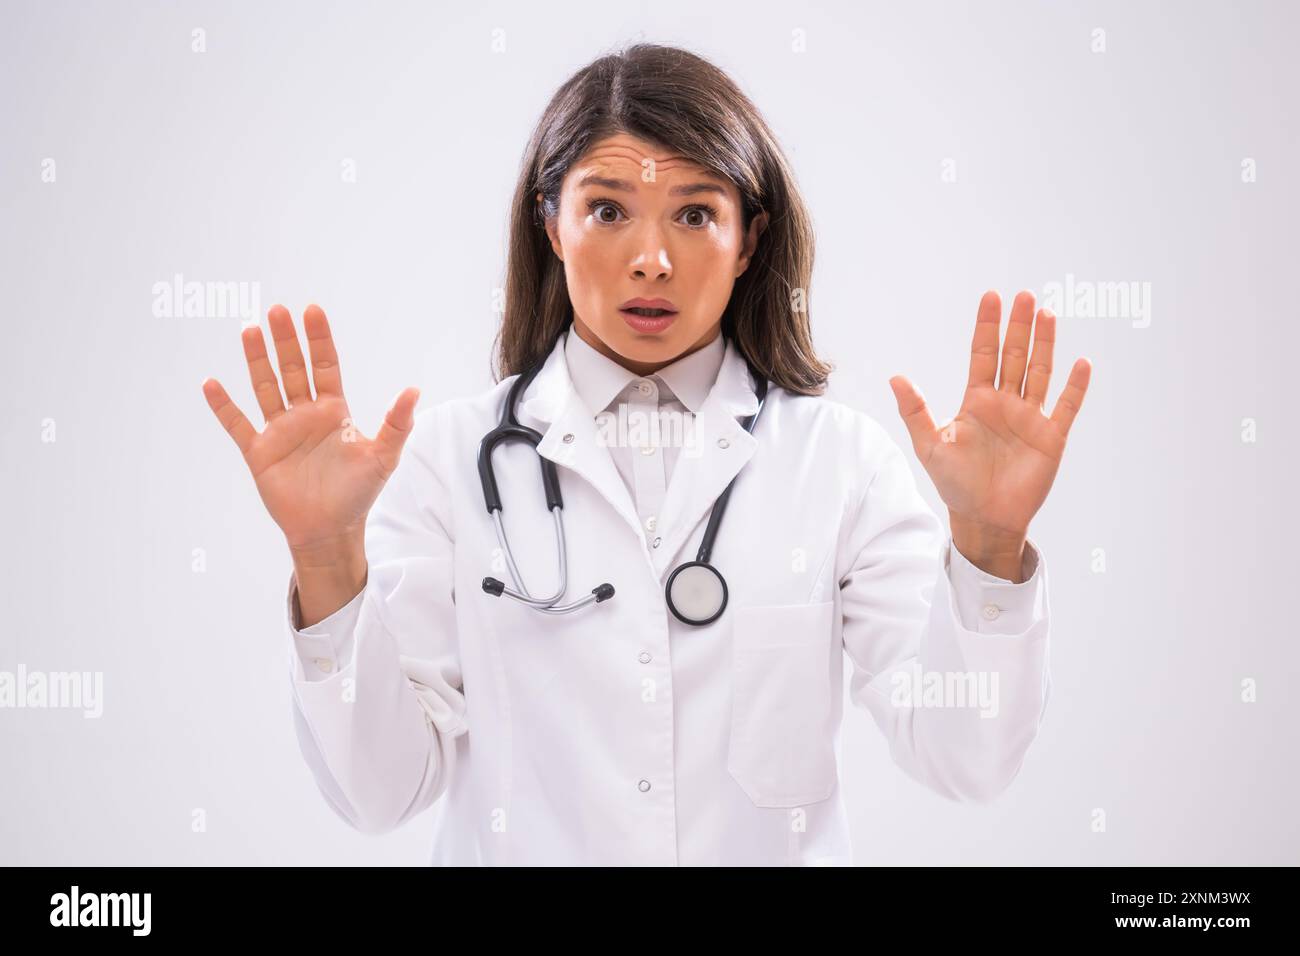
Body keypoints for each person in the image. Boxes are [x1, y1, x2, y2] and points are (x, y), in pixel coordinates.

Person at [201, 43, 1091, 866]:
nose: (652, 260)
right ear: (551, 223)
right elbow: (378, 792)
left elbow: (967, 761)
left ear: (750, 238)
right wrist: (324, 558)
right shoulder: (445, 461)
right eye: (607, 210)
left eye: (697, 214)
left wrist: (987, 542)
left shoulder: (840, 463)